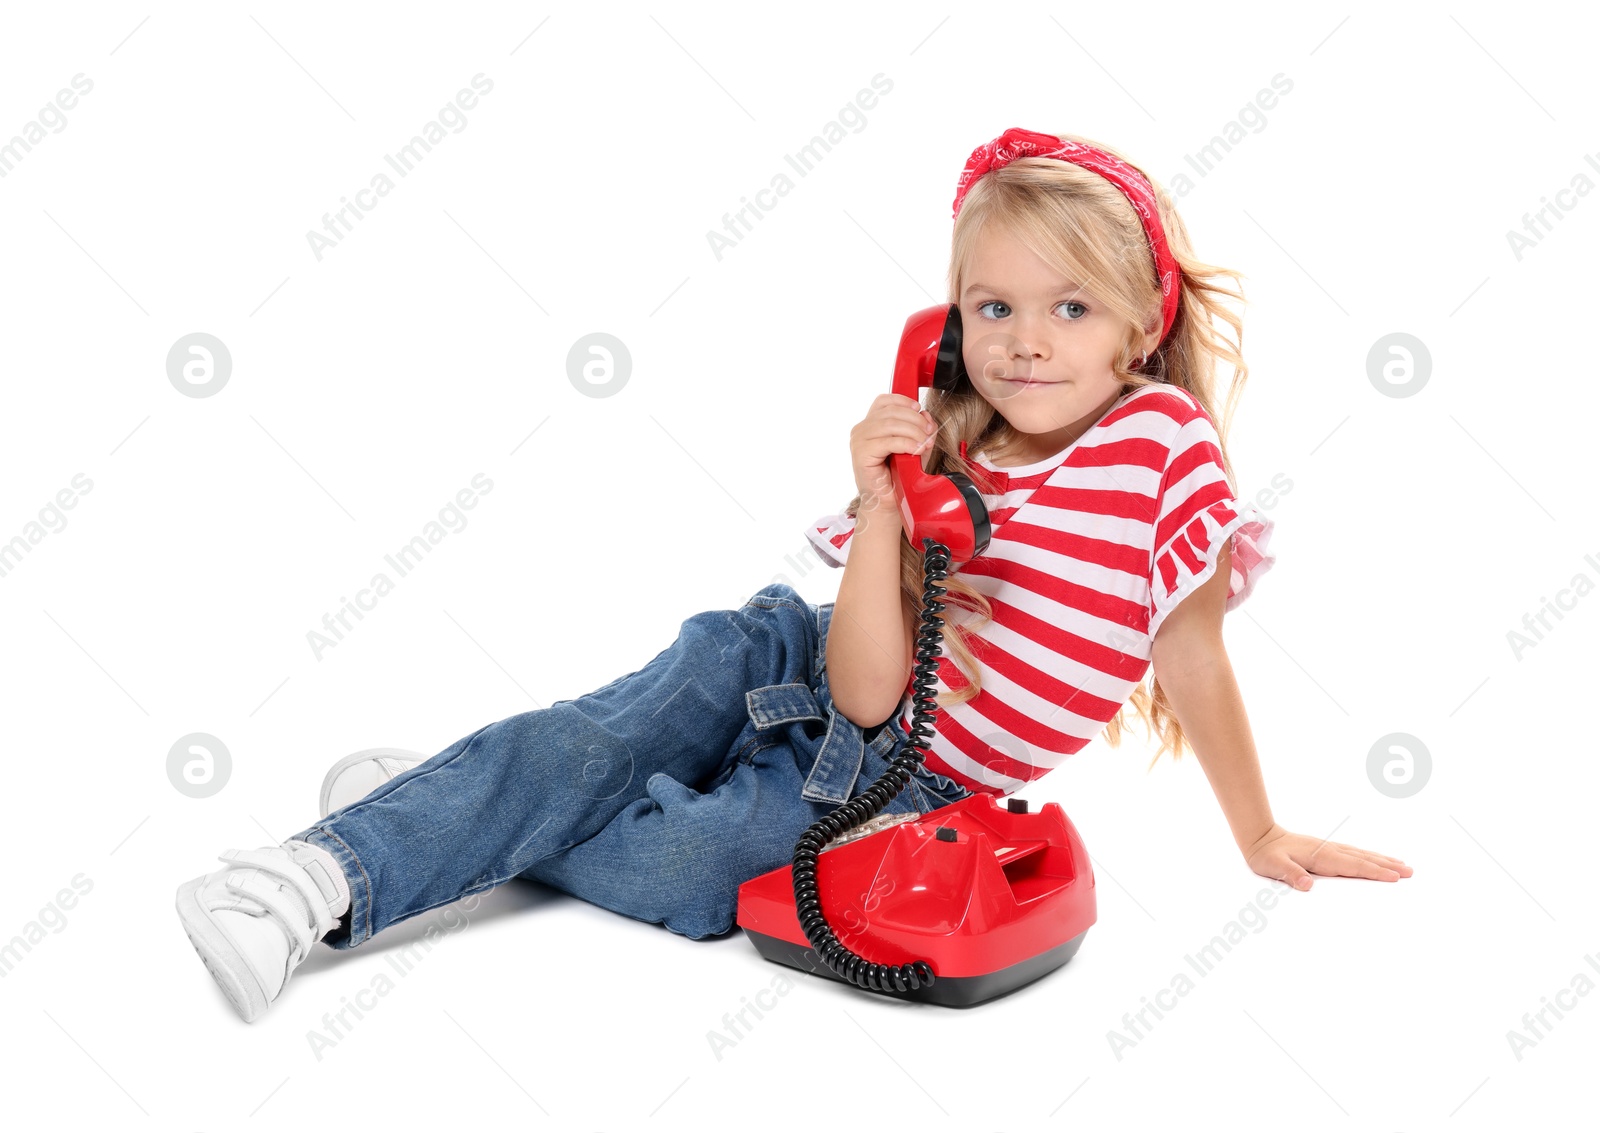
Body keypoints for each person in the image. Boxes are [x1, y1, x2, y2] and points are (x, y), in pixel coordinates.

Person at [175, 126, 1412, 1024]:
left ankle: (448, 807)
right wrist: (886, 505)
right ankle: (303, 880)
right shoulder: (945, 443)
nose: (1026, 340)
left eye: (1073, 307)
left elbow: (1188, 651)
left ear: (1143, 323)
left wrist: (1256, 828)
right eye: (990, 308)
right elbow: (868, 679)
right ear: (949, 324)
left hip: (897, 772)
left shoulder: (1161, 449)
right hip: (794, 661)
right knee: (588, 747)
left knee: (691, 877)